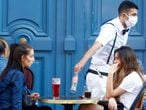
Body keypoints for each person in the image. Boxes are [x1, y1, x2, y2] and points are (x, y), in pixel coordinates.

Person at [74, 0, 139, 99]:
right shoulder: (110, 28)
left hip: (110, 74)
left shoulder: (126, 28)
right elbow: (96, 46)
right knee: (99, 105)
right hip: (99, 75)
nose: (135, 18)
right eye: (133, 15)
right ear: (124, 15)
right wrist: (82, 62)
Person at [0, 44, 39, 110]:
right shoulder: (18, 75)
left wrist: (29, 97)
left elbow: (10, 94)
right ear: (23, 58)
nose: (33, 59)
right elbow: (16, 102)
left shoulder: (9, 71)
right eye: (31, 56)